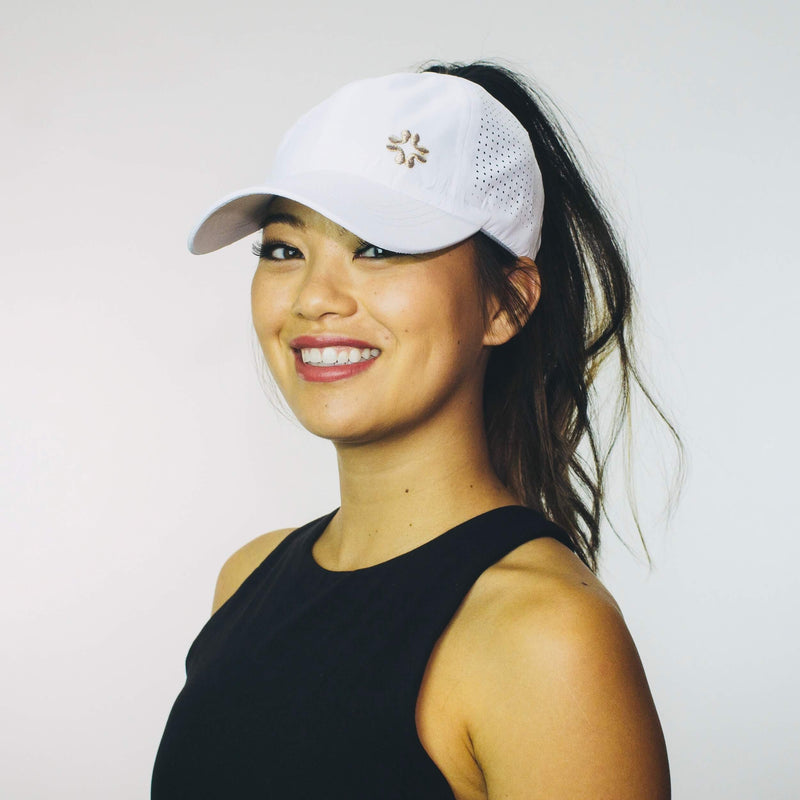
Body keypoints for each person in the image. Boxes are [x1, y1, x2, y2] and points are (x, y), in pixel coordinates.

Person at [152, 62, 677, 799]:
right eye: (283, 249)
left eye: (378, 247)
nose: (314, 299)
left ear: (507, 303)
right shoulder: (246, 580)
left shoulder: (543, 634)